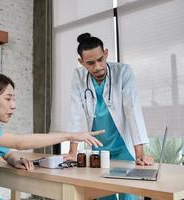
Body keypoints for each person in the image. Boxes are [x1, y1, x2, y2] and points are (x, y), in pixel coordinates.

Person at [66, 33, 154, 200]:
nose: (98, 67)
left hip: (123, 149)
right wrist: (72, 152)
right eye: (90, 63)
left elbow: (132, 110)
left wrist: (140, 154)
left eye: (100, 59)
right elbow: (75, 112)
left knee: (129, 195)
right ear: (81, 62)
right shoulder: (78, 76)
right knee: (104, 194)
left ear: (106, 53)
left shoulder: (123, 72)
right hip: (98, 149)